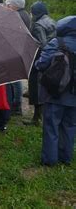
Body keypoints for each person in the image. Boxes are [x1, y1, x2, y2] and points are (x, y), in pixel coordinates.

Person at [35, 15, 76, 166]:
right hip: (74, 94)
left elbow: (41, 64)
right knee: (70, 126)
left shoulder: (57, 42)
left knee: (51, 126)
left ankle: (50, 160)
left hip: (55, 93)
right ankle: (65, 158)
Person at [24, 1, 56, 126]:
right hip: (52, 58)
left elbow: (42, 44)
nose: (31, 15)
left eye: (32, 12)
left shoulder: (38, 25)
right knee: (44, 85)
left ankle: (37, 118)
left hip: (40, 58)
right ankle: (42, 116)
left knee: (36, 86)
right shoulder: (51, 21)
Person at [5, 0, 31, 116]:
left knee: (14, 79)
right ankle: (17, 104)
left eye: (11, 5)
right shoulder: (25, 14)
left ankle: (16, 105)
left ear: (16, 5)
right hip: (21, 48)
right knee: (16, 78)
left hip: (14, 49)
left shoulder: (16, 15)